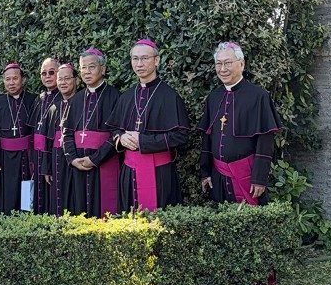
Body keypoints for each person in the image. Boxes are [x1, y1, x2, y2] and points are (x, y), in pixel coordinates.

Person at [111, 39, 191, 212]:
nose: (139, 64)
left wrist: (143, 141)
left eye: (144, 58)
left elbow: (181, 136)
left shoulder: (170, 96)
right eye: (135, 59)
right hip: (129, 172)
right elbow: (115, 129)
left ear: (157, 60)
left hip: (159, 172)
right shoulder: (126, 97)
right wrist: (121, 138)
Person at [200, 42, 281, 205]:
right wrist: (205, 172)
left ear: (242, 64)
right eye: (218, 63)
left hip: (247, 175)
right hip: (218, 176)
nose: (222, 69)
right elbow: (207, 138)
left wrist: (259, 178)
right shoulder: (213, 97)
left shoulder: (258, 96)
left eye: (228, 63)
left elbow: (265, 141)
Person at [61, 48, 122, 217]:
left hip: (104, 163)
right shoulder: (76, 99)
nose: (86, 72)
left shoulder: (116, 97)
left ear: (102, 69)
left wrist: (94, 159)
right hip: (78, 165)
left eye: (91, 67)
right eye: (83, 68)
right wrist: (72, 159)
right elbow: (66, 133)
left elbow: (116, 135)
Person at [0, 63, 35, 214]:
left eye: (15, 78)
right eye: (8, 79)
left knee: (27, 185)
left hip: (27, 155)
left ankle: (27, 214)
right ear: (3, 81)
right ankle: (8, 216)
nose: (11, 82)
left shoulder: (33, 100)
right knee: (8, 187)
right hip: (5, 156)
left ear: (22, 79)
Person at [40, 62, 78, 215]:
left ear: (76, 80)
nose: (63, 83)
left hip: (75, 158)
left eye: (67, 78)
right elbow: (48, 142)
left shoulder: (80, 102)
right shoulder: (53, 108)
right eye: (60, 79)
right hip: (56, 161)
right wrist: (46, 168)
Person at [28, 58, 61, 213]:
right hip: (36, 153)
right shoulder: (39, 98)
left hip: (52, 153)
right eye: (43, 73)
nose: (47, 76)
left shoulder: (63, 98)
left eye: (51, 72)